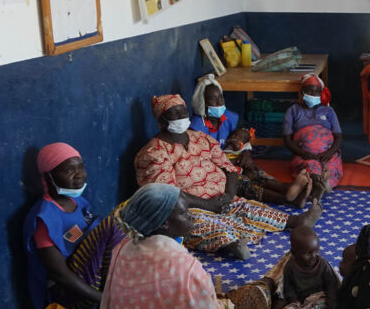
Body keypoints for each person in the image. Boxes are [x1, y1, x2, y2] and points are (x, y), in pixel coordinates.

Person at [68, 184, 273, 309]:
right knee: (255, 298)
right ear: (165, 223)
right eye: (184, 212)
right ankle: (269, 289)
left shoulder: (124, 249)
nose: (191, 216)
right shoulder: (181, 265)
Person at [134, 94, 320, 259]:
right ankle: (232, 245)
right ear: (162, 119)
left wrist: (229, 195)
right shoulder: (154, 152)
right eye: (175, 114)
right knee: (200, 225)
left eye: (183, 112)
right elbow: (168, 196)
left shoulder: (200, 138)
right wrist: (208, 205)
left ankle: (295, 221)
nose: (182, 117)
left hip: (222, 199)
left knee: (248, 208)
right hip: (190, 209)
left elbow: (229, 168)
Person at [22, 142, 125, 309]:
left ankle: (116, 292)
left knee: (119, 222)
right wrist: (102, 298)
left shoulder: (79, 203)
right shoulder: (44, 219)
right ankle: (110, 300)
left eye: (81, 167)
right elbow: (60, 274)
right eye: (68, 171)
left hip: (94, 280)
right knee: (111, 227)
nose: (79, 175)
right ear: (48, 177)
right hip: (69, 298)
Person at [283, 74, 343, 200]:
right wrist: (302, 153)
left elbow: (338, 136)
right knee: (310, 166)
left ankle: (318, 184)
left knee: (329, 167)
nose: (312, 94)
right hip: (304, 154)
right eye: (309, 90)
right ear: (302, 92)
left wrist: (329, 152)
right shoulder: (293, 111)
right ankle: (318, 184)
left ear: (321, 94)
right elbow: (287, 140)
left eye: (316, 92)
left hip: (327, 154)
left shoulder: (329, 111)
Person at [267, 226, 340, 309]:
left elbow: (331, 284)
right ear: (294, 253)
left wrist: (332, 302)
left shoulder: (322, 264)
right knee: (280, 300)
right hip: (299, 297)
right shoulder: (290, 266)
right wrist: (294, 299)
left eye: (316, 251)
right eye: (308, 253)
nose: (314, 256)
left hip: (319, 294)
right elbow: (288, 287)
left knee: (336, 301)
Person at [224, 126, 312, 207]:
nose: (235, 138)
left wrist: (246, 155)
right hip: (228, 176)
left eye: (240, 138)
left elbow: (242, 147)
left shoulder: (239, 145)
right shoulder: (226, 147)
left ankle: (288, 188)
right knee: (248, 186)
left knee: (257, 173)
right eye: (234, 135)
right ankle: (290, 199)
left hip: (241, 169)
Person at [188, 74, 239, 146]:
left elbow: (240, 138)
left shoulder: (229, 118)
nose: (219, 102)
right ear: (202, 103)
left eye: (221, 97)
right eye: (212, 99)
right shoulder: (196, 128)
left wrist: (246, 151)